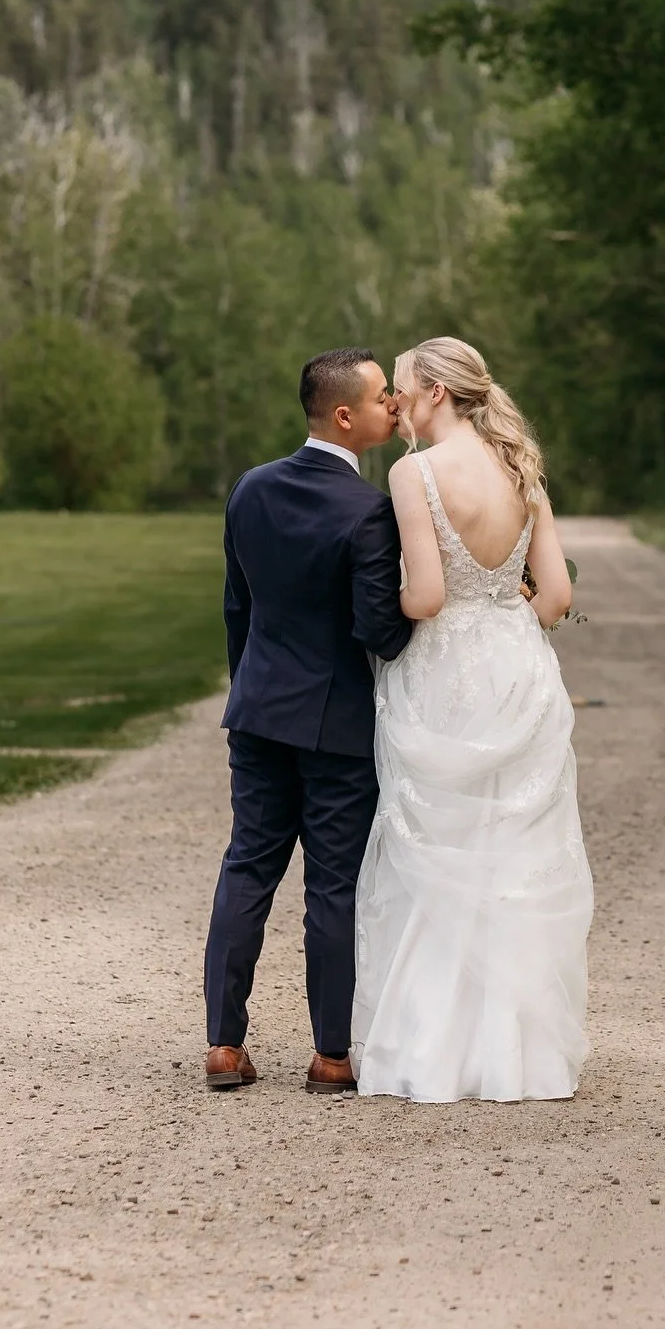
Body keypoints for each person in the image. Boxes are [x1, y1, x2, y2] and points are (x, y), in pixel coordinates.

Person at [351, 337, 593, 1102]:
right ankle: (517, 1058)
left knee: (436, 846)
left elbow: (423, 596)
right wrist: (500, 608)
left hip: (447, 669)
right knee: (509, 849)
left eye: (401, 389)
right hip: (517, 665)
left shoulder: (413, 471)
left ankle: (433, 1051)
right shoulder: (522, 468)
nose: (395, 402)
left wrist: (367, 600)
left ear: (434, 393)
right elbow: (553, 600)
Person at [203, 348, 410, 1095]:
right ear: (346, 415)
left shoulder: (249, 489)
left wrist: (250, 688)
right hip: (336, 727)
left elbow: (237, 607)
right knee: (331, 886)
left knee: (248, 866)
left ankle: (224, 1044)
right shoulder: (368, 510)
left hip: (257, 711)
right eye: (385, 395)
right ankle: (330, 1055)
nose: (396, 404)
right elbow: (378, 630)